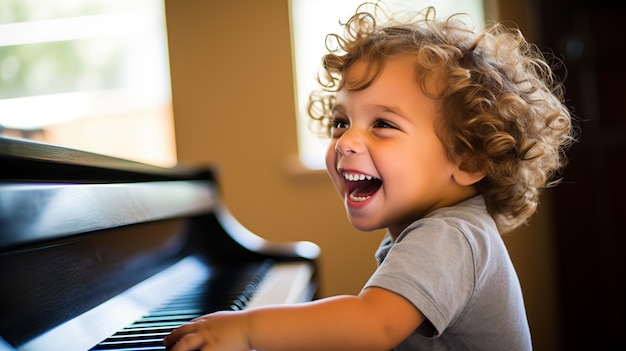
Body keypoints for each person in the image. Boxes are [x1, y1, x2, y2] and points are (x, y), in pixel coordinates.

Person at [164, 3, 576, 350]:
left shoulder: (450, 236)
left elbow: (372, 324)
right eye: (342, 122)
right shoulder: (438, 228)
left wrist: (247, 329)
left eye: (383, 124)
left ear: (467, 160)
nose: (345, 142)